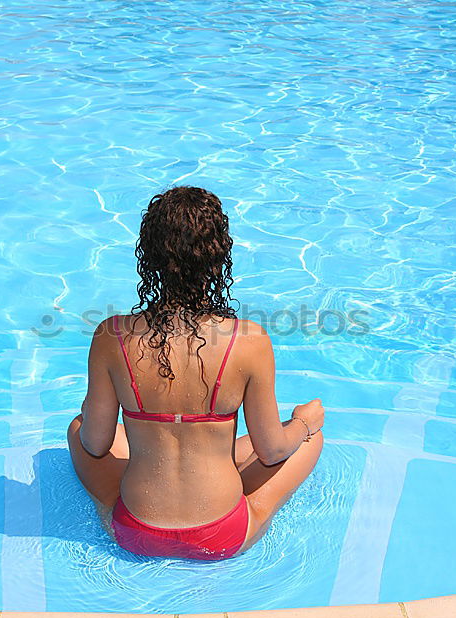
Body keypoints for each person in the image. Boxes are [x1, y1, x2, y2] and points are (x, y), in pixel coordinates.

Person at [67, 186, 324, 560]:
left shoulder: (111, 336)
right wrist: (304, 422)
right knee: (305, 439)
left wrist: (91, 412)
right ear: (219, 256)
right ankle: (252, 486)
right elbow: (271, 452)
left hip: (134, 529)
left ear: (149, 258)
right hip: (221, 535)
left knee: (78, 427)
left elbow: (95, 444)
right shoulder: (249, 340)